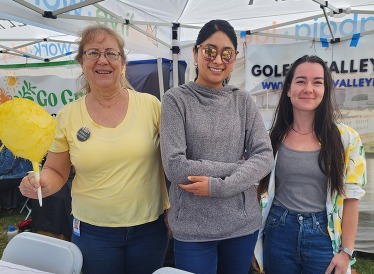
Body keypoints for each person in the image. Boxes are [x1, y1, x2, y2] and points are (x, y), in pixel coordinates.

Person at [20, 25, 170, 274]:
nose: (103, 60)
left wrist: (173, 207)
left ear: (122, 63)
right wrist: (39, 182)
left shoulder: (151, 106)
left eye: (111, 53)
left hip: (149, 229)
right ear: (81, 62)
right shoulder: (68, 115)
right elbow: (56, 171)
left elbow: (172, 162)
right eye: (93, 53)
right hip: (93, 233)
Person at [160, 19, 274, 274]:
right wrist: (238, 167)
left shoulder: (242, 101)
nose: (218, 60)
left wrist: (219, 187)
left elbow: (264, 157)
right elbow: (175, 167)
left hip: (241, 225)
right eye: (210, 51)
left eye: (227, 54)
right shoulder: (175, 100)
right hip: (193, 228)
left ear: (234, 58)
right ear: (196, 52)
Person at [254, 55, 367, 274]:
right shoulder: (270, 138)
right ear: (288, 89)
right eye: (300, 81)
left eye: (317, 82)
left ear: (325, 90)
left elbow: (351, 198)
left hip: (324, 237)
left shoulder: (347, 139)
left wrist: (346, 252)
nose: (308, 88)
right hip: (278, 232)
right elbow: (257, 192)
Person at [0, 141, 32, 213]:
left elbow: (8, 166)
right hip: (11, 174)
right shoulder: (6, 142)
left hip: (19, 175)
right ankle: (7, 206)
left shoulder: (12, 143)